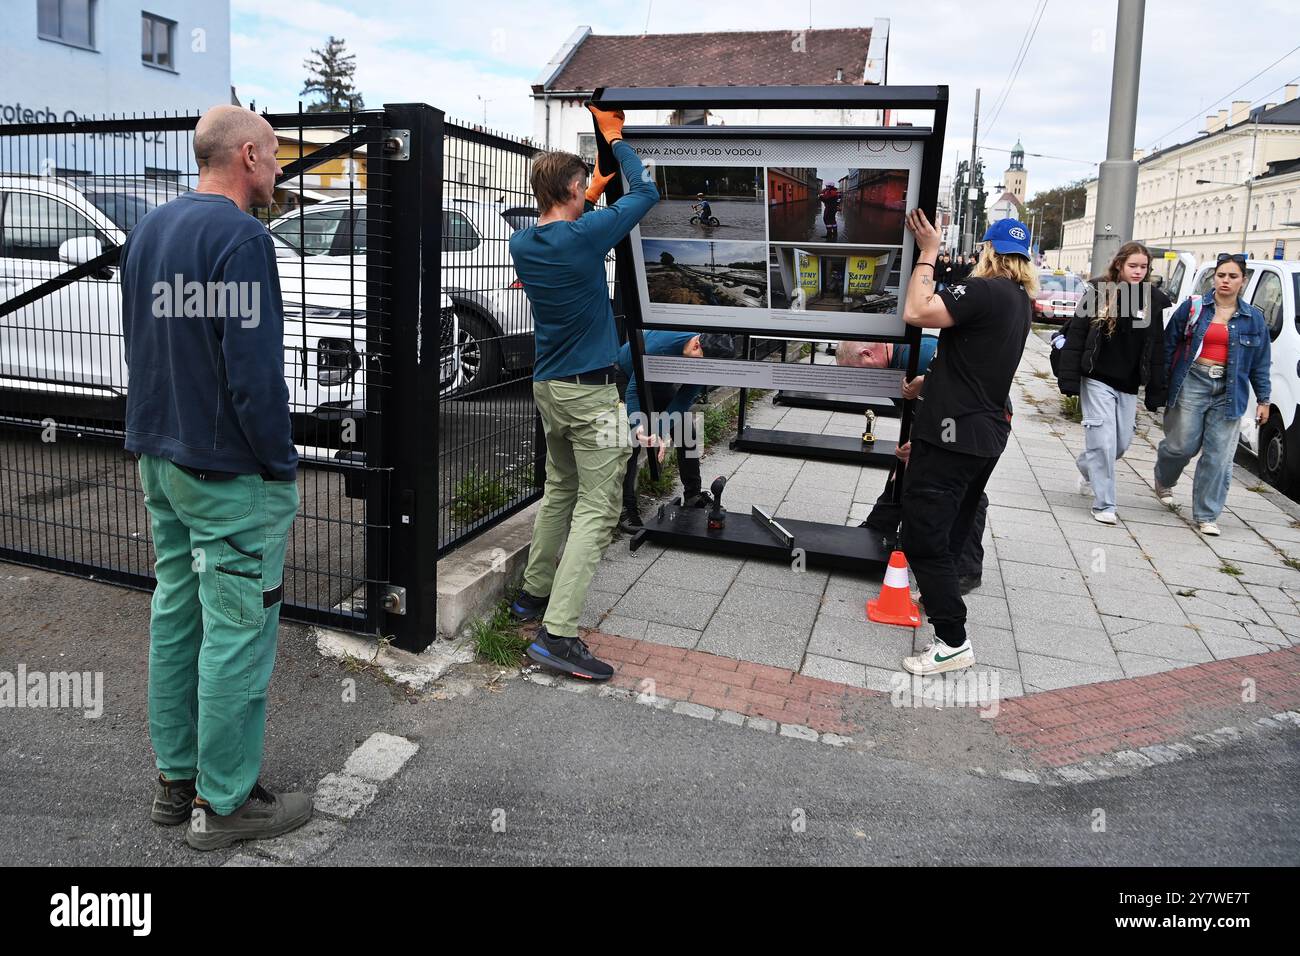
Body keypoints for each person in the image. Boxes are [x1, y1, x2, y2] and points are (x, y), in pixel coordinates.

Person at [120, 105, 310, 850]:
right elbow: (254, 376)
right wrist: (280, 462)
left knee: (177, 613)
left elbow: (147, 340)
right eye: (276, 156)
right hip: (229, 473)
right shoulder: (242, 239)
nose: (282, 169)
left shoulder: (150, 231)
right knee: (236, 631)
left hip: (160, 457)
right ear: (250, 156)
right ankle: (227, 805)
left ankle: (177, 782)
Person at [507, 104, 659, 681]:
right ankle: (557, 634)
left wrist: (588, 190)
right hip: (592, 395)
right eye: (584, 188)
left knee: (560, 489)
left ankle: (532, 595)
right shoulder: (585, 235)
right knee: (599, 508)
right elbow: (645, 193)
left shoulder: (525, 242)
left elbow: (569, 225)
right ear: (573, 189)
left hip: (548, 388)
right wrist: (617, 142)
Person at [895, 214, 1036, 675]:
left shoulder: (984, 290)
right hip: (984, 432)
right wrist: (927, 381)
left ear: (987, 251)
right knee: (952, 526)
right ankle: (940, 593)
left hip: (952, 437)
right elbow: (975, 358)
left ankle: (952, 640)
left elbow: (916, 311)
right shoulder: (1018, 300)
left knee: (922, 536)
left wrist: (929, 251)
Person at [1153, 253, 1272, 536]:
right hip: (1193, 380)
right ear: (1214, 278)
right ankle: (1163, 476)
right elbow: (1168, 345)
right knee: (1181, 446)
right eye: (1221, 275)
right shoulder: (1193, 307)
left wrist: (1264, 400)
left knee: (1218, 456)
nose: (1226, 281)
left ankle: (1206, 514)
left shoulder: (1254, 318)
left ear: (1243, 281)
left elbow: (1261, 363)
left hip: (1229, 391)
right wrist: (1162, 384)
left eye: (1233, 276)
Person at [1057, 241, 1171, 524]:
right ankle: (1104, 504)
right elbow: (1077, 336)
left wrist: (1157, 390)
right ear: (1119, 264)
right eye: (1133, 266)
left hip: (1129, 384)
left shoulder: (1154, 299)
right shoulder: (1098, 291)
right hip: (1097, 379)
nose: (1138, 272)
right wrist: (1069, 379)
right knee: (1103, 441)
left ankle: (1087, 465)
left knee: (1119, 445)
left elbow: (1157, 348)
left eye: (1143, 267)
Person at [617, 332, 736, 533]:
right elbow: (634, 390)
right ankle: (626, 506)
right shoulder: (660, 349)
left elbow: (682, 401)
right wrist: (640, 429)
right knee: (634, 440)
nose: (702, 370)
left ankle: (693, 495)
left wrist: (660, 432)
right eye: (701, 364)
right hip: (627, 375)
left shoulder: (703, 360)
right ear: (697, 346)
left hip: (659, 381)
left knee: (686, 430)